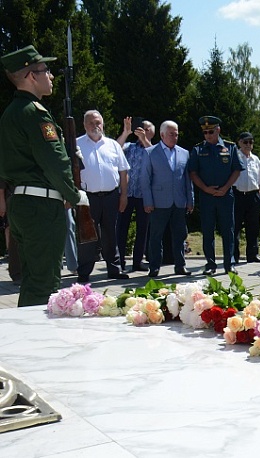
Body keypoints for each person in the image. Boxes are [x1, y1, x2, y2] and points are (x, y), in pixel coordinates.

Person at [0, 45, 88, 306]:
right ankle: (37, 344)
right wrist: (74, 194)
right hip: (40, 206)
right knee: (45, 283)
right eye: (45, 70)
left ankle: (26, 339)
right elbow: (54, 161)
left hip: (23, 203)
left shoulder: (11, 113)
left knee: (33, 279)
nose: (50, 76)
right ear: (30, 76)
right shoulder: (34, 113)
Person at [76, 110, 130, 283]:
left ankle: (114, 269)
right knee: (87, 236)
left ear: (103, 123)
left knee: (110, 234)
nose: (95, 126)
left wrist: (124, 196)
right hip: (87, 198)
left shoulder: (113, 145)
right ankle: (84, 272)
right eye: (91, 123)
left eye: (98, 122)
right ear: (84, 125)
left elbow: (123, 171)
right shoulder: (76, 145)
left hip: (111, 196)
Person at [188, 116, 243, 276]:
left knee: (228, 230)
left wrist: (226, 188)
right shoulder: (198, 149)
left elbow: (237, 170)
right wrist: (205, 188)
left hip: (226, 195)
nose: (208, 135)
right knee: (208, 230)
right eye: (205, 132)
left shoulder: (230, 147)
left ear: (218, 130)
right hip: (207, 197)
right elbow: (193, 172)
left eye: (211, 131)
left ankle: (229, 264)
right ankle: (210, 264)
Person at [140, 120, 193, 278]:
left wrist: (190, 200)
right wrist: (148, 201)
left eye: (176, 134)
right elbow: (145, 179)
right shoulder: (150, 152)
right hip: (158, 202)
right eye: (171, 134)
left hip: (179, 202)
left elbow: (187, 179)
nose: (175, 137)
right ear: (162, 135)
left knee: (180, 235)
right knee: (156, 236)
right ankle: (155, 267)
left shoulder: (184, 153)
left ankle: (180, 266)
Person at [116, 117, 154, 272]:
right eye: (141, 128)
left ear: (151, 132)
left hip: (144, 195)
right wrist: (126, 132)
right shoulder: (129, 146)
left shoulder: (153, 148)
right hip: (126, 193)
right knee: (121, 228)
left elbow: (155, 158)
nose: (142, 131)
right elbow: (115, 148)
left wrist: (144, 140)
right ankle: (120, 260)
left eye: (146, 129)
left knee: (142, 229)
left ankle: (138, 261)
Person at [233, 132, 260, 264]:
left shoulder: (255, 159)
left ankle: (252, 255)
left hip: (253, 196)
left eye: (251, 142)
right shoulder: (234, 157)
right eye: (245, 142)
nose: (248, 145)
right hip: (238, 195)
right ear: (239, 142)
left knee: (253, 227)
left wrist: (259, 192)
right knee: (235, 227)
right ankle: (234, 256)